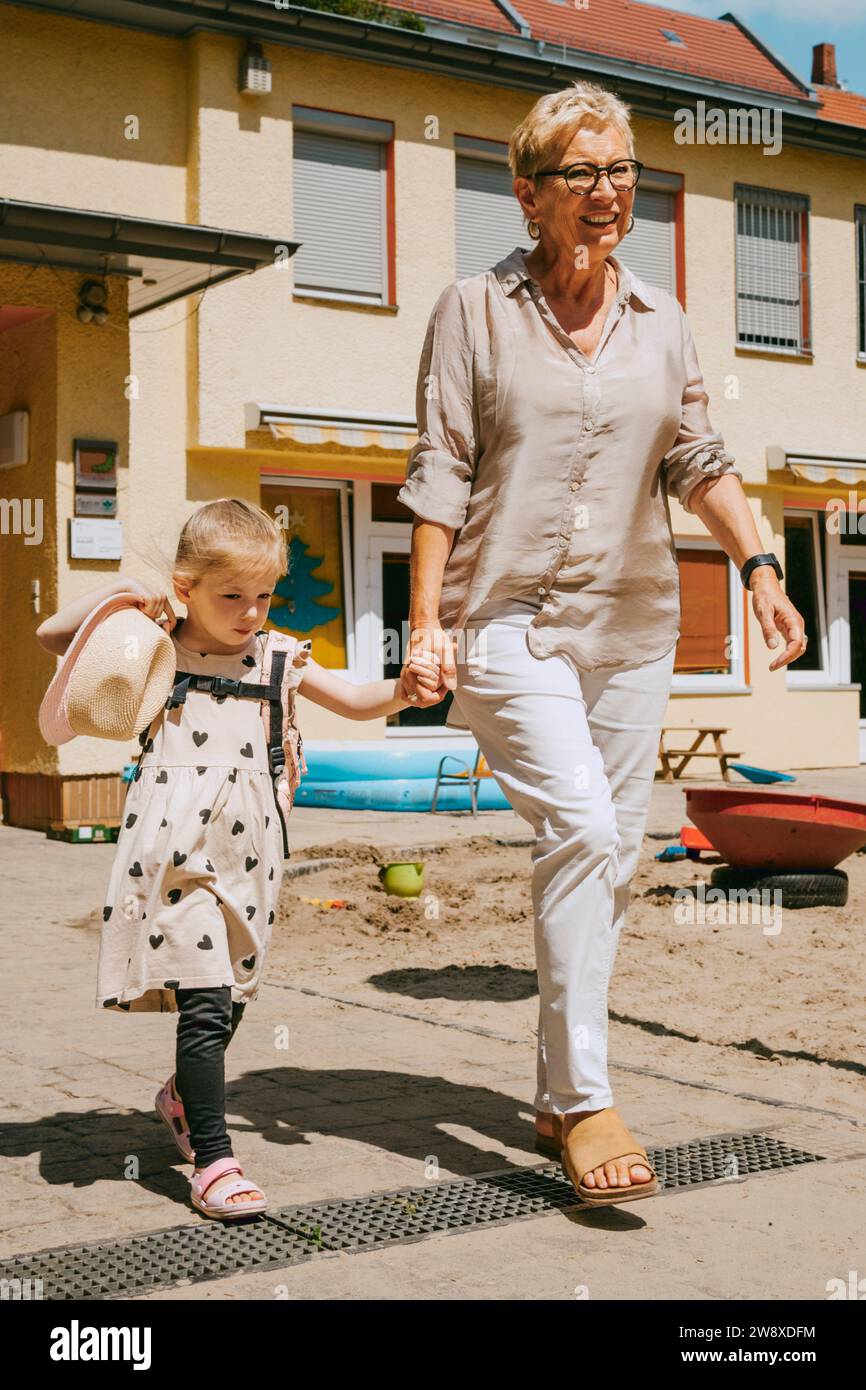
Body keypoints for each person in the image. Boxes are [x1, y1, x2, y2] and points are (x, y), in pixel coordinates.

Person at [397, 81, 806, 1205]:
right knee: (578, 824)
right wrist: (424, 622)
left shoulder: (660, 320)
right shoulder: (473, 310)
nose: (608, 193)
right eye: (580, 174)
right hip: (506, 622)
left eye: (622, 171)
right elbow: (437, 470)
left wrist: (760, 567)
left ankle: (546, 1083)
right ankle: (585, 1101)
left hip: (629, 628)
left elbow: (698, 458)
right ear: (526, 194)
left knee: (608, 857)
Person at [36, 497, 440, 1220]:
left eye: (263, 596)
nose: (251, 612)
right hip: (171, 851)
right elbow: (51, 636)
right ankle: (215, 1160)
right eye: (232, 596)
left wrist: (404, 692)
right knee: (204, 997)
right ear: (185, 586)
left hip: (249, 851)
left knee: (230, 994)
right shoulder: (152, 643)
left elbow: (351, 698)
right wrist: (124, 597)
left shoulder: (280, 655)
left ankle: (183, 1098)